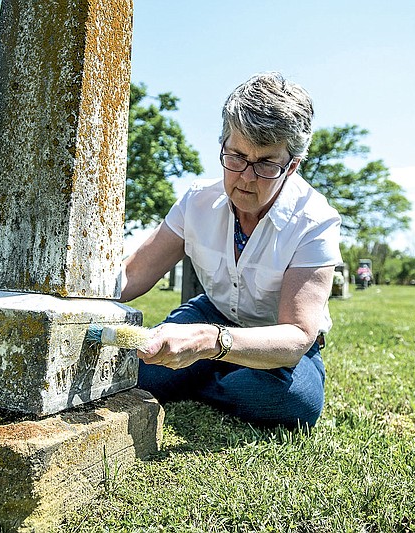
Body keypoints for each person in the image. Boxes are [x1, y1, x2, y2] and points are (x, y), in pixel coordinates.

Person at [119, 72, 342, 429]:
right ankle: (217, 371)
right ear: (222, 144)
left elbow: (298, 335)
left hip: (276, 338)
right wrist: (73, 297)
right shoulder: (196, 201)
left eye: (266, 164)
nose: (246, 177)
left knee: (293, 402)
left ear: (292, 166)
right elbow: (134, 274)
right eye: (236, 156)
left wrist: (211, 342)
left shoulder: (314, 222)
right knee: (141, 368)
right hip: (213, 311)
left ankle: (203, 370)